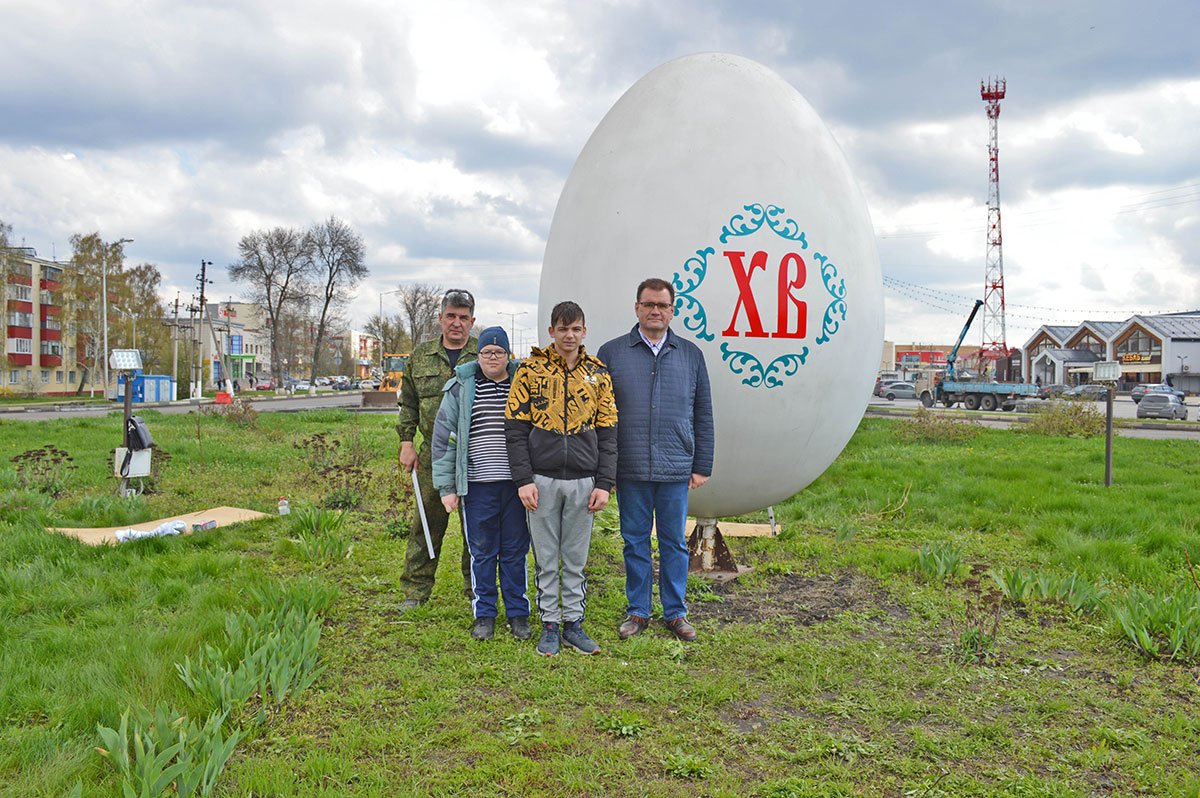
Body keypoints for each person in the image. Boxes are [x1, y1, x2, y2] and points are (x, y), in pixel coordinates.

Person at [597, 277, 714, 642]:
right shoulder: (612, 353)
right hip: (629, 466)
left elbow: (703, 412)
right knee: (634, 541)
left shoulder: (691, 354)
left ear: (672, 310)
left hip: (675, 466)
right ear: (636, 308)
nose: (655, 311)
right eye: (648, 304)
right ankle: (638, 611)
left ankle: (676, 612)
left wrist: (702, 464)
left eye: (662, 305)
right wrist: (605, 469)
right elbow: (600, 415)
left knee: (674, 543)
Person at [505, 301, 618, 656]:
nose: (569, 335)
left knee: (575, 558)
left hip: (584, 482)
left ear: (584, 331)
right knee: (545, 556)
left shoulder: (598, 374)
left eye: (576, 329)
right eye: (562, 328)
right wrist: (523, 479)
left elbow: (609, 433)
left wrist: (604, 483)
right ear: (551, 330)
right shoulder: (530, 371)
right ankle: (550, 624)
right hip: (541, 480)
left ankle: (574, 623)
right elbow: (515, 431)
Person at [431, 327, 531, 641]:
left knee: (515, 552)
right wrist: (447, 487)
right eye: (486, 352)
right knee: (483, 552)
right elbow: (443, 439)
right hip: (477, 486)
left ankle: (518, 614)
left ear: (508, 356)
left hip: (517, 487)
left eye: (498, 352)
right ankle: (485, 614)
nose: (492, 358)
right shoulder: (461, 388)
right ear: (479, 355)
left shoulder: (523, 385)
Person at [396, 289, 479, 610]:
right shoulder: (420, 356)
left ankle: (476, 589)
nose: (456, 323)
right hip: (433, 455)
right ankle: (416, 591)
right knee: (425, 525)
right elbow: (409, 403)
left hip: (475, 457)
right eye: (451, 316)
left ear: (472, 321)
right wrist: (406, 441)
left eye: (463, 317)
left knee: (477, 529)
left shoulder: (484, 354)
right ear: (440, 318)